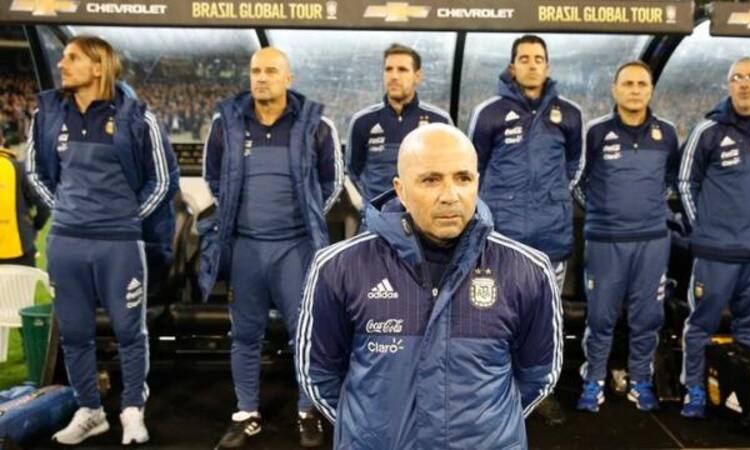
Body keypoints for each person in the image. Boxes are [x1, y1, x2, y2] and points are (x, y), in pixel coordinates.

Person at [296, 123, 562, 449]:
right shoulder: (339, 267)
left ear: (477, 182)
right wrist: (368, 431)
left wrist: (491, 430)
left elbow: (538, 376)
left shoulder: (527, 270)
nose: (450, 195)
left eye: (463, 178)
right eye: (430, 179)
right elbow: (319, 375)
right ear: (401, 189)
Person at [26, 35, 175, 445]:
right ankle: (90, 409)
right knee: (74, 333)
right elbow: (36, 173)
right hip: (66, 242)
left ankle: (132, 410)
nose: (62, 65)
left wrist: (124, 220)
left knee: (130, 331)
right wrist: (69, 211)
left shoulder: (136, 116)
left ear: (98, 67)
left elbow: (163, 181)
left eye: (72, 58)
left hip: (119, 244)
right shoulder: (47, 114)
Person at [199, 47, 342, 449]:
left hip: (296, 249)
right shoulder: (225, 124)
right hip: (245, 248)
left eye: (271, 71)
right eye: (255, 70)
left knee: (305, 334)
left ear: (288, 78)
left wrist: (305, 218)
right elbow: (214, 178)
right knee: (244, 333)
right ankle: (247, 413)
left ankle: (307, 410)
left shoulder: (317, 125)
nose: (261, 78)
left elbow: (330, 185)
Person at [467, 33, 583, 425]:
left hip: (550, 239)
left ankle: (541, 393)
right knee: (494, 317)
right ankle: (494, 394)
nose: (532, 64)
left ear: (547, 67)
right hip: (501, 238)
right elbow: (473, 171)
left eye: (538, 58)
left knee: (546, 319)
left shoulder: (569, 114)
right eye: (524, 58)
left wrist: (551, 200)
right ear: (512, 66)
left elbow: (574, 167)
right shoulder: (489, 112)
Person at [678, 57, 750, 419]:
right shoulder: (707, 131)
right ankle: (694, 389)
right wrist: (705, 229)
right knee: (701, 324)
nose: (745, 84)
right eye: (737, 78)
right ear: (729, 86)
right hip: (716, 252)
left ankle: (741, 392)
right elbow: (685, 183)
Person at [573, 61, 679, 413]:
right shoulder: (596, 132)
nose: (635, 89)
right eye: (628, 83)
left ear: (651, 90)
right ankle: (594, 381)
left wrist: (647, 211)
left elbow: (669, 182)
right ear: (614, 89)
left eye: (641, 83)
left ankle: (640, 381)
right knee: (601, 316)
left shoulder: (667, 133)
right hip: (606, 240)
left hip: (652, 240)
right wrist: (604, 211)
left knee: (647, 317)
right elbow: (578, 183)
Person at [346, 43, 451, 208]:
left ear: (418, 76)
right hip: (376, 221)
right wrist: (367, 207)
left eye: (402, 70)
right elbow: (353, 172)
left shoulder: (440, 121)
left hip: (422, 218)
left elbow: (449, 170)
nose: (394, 76)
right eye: (388, 69)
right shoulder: (363, 121)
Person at [0, 130, 50, 266]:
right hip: (19, 249)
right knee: (21, 286)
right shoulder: (20, 169)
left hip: (19, 246)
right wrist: (35, 228)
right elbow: (43, 205)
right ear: (3, 141)